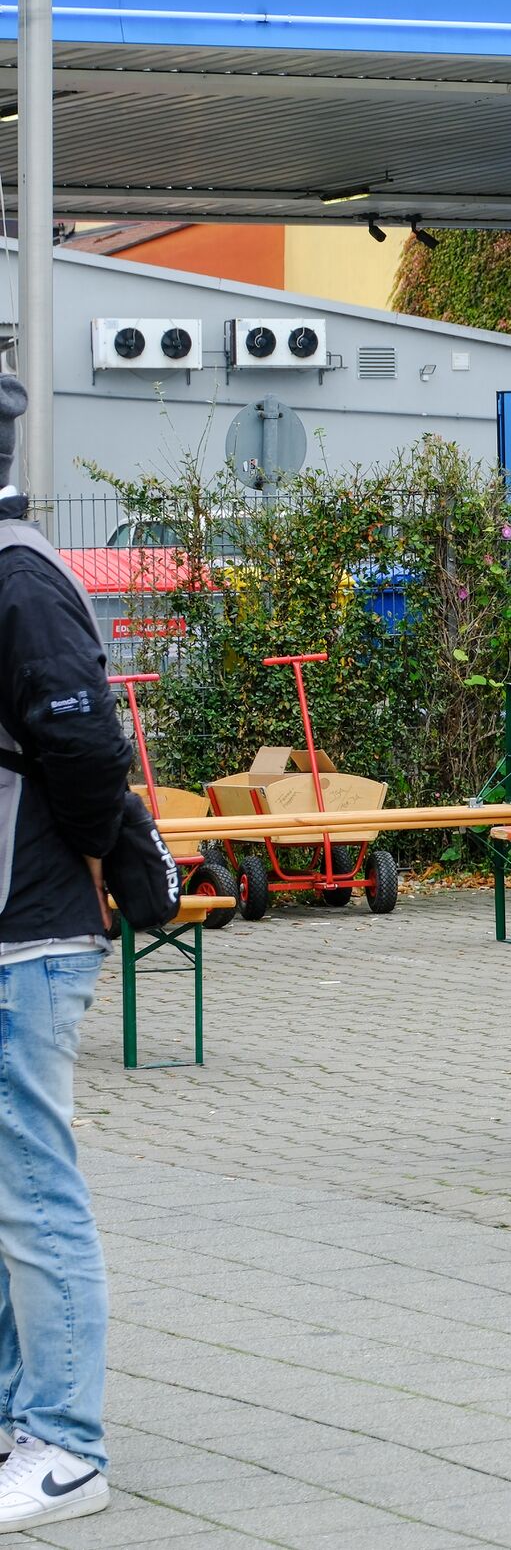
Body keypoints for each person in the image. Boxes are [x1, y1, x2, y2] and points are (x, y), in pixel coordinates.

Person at [0, 381, 122, 1529]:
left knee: (34, 1191)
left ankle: (67, 1446)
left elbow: (87, 749)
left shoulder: (19, 579)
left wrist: (95, 852)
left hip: (27, 929)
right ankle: (17, 1415)